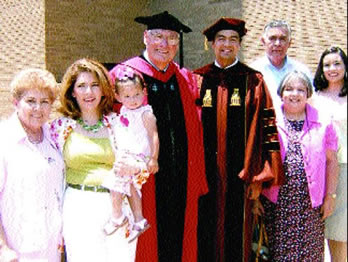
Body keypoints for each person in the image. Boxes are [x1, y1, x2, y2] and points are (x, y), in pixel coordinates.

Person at [109, 11, 208, 262]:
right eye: (158, 37)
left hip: (181, 177)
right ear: (145, 37)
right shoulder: (125, 76)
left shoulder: (184, 78)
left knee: (179, 241)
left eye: (172, 38)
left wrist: (196, 176)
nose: (165, 45)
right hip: (144, 180)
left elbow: (195, 131)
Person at [194, 17, 283, 262]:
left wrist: (258, 177)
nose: (227, 44)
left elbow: (267, 129)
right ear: (211, 44)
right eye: (221, 39)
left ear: (240, 45)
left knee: (239, 238)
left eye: (233, 39)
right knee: (204, 235)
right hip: (205, 178)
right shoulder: (198, 79)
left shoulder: (253, 81)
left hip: (241, 178)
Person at [50, 58, 138, 262]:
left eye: (94, 85)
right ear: (72, 91)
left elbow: (141, 162)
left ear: (103, 90)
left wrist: (135, 166)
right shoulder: (59, 128)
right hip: (78, 205)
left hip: (115, 206)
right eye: (81, 86)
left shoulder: (119, 123)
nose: (88, 92)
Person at [255, 70, 339, 261]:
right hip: (277, 204)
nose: (295, 94)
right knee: (280, 255)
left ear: (308, 94)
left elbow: (332, 161)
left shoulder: (323, 122)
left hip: (311, 205)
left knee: (309, 255)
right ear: (281, 92)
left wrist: (330, 196)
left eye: (301, 90)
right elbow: (258, 160)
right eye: (289, 89)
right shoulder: (269, 120)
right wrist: (255, 196)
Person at [0, 68, 64, 262]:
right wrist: (3, 248)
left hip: (52, 247)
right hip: (17, 251)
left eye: (45, 102)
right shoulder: (4, 141)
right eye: (31, 101)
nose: (38, 108)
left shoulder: (54, 139)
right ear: (16, 103)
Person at [103, 64, 159, 244]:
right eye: (127, 96)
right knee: (132, 188)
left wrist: (154, 158)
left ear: (144, 92)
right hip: (127, 155)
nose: (133, 100)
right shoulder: (124, 112)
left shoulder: (146, 113)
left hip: (139, 157)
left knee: (116, 181)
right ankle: (139, 220)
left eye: (136, 95)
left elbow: (154, 136)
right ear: (118, 97)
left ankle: (117, 216)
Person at [312, 46, 347, 262]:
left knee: (340, 229)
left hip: (344, 168)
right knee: (324, 226)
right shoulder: (314, 98)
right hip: (319, 169)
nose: (332, 69)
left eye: (337, 63)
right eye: (327, 65)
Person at [251, 20, 312, 113]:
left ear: (289, 43)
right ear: (263, 41)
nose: (277, 43)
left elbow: (311, 102)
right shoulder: (252, 72)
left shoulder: (302, 71)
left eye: (282, 39)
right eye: (272, 38)